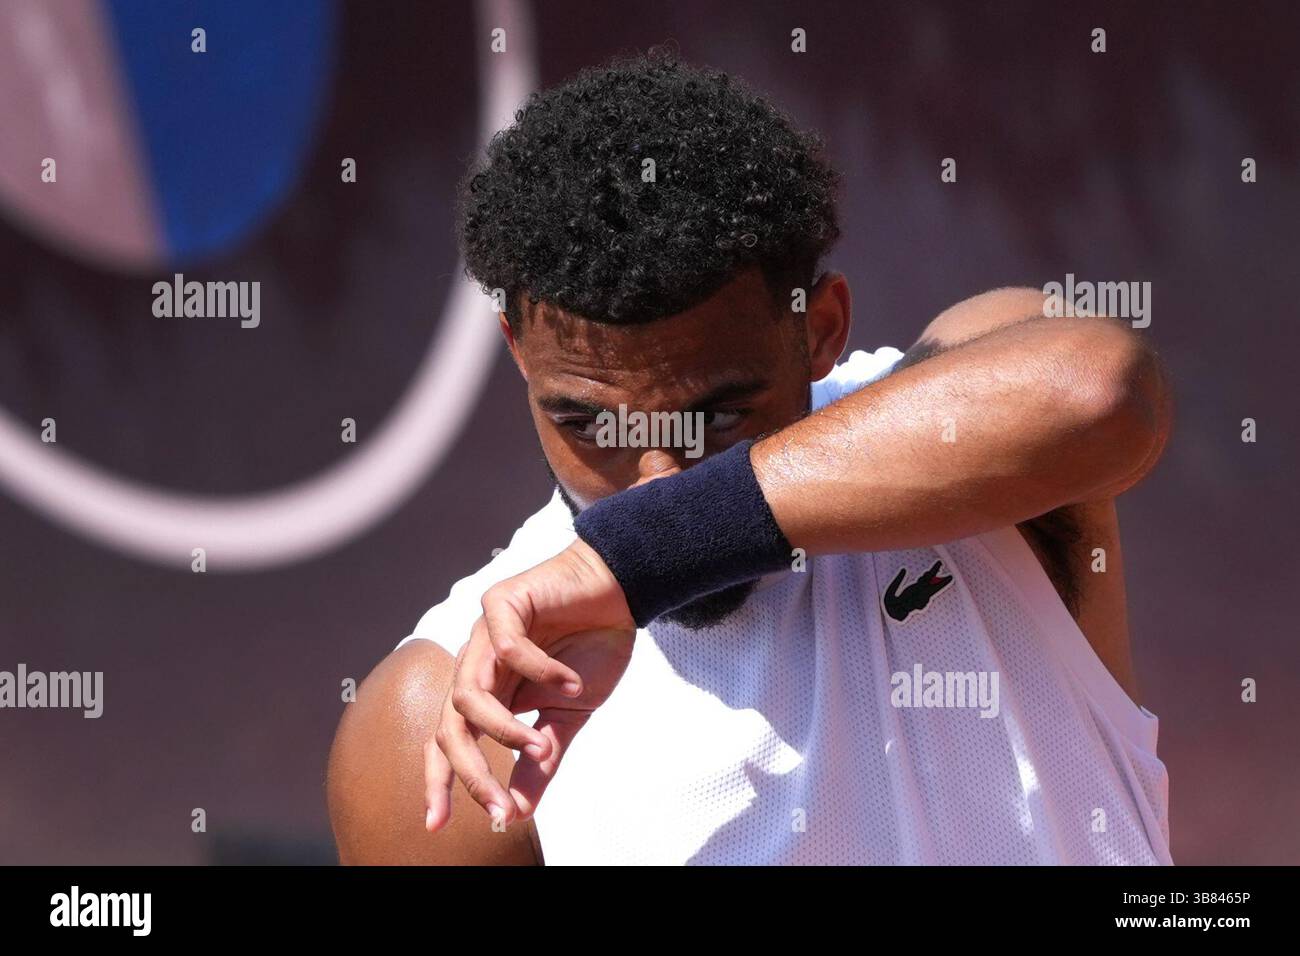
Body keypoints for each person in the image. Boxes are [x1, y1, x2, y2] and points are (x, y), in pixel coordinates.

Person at [327, 49, 1173, 865]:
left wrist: (647, 557)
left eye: (719, 415)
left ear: (823, 329)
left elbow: (1101, 395)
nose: (654, 479)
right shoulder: (445, 718)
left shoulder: (962, 418)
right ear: (517, 350)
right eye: (588, 423)